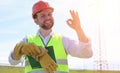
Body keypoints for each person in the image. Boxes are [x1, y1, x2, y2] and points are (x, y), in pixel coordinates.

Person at [8, 0, 93, 73]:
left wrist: (79, 30)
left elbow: (87, 53)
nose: (48, 17)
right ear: (35, 20)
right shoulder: (27, 40)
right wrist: (18, 50)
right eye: (43, 15)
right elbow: (12, 61)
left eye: (50, 14)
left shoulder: (63, 40)